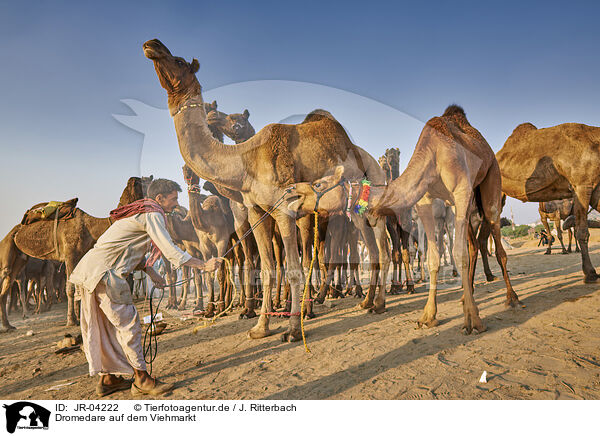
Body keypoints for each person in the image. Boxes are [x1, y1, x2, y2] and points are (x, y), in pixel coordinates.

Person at [69, 178, 222, 397]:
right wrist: (203, 264)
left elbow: (126, 247)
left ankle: (108, 379)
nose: (175, 205)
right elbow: (169, 250)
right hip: (105, 274)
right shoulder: (153, 213)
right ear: (159, 198)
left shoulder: (138, 213)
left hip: (89, 272)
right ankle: (142, 380)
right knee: (129, 324)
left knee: (104, 326)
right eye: (173, 200)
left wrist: (149, 269)